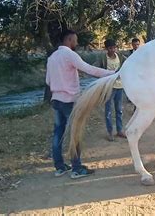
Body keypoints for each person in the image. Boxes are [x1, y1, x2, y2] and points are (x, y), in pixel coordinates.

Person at [46, 30, 114, 179]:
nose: (76, 43)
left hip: (56, 100)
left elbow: (48, 81)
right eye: (75, 40)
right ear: (69, 40)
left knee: (58, 133)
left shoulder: (52, 57)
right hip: (69, 101)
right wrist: (112, 73)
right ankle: (76, 169)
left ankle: (59, 167)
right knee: (74, 133)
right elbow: (90, 69)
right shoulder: (69, 55)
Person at [95, 39, 127, 141]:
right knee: (108, 110)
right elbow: (96, 69)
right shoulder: (103, 58)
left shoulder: (120, 57)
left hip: (119, 86)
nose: (112, 50)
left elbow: (127, 65)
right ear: (106, 49)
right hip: (108, 87)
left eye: (114, 47)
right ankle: (110, 132)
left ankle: (119, 130)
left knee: (119, 110)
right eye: (110, 48)